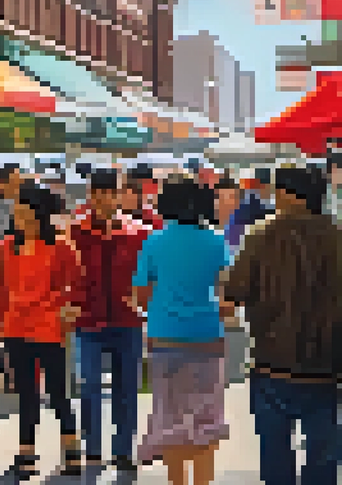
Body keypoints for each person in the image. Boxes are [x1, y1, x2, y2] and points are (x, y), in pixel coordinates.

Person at [223, 166, 342, 485]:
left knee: (275, 456)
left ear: (289, 194)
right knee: (323, 459)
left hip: (271, 364)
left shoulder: (261, 235)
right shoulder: (337, 237)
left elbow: (233, 293)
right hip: (326, 366)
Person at [132, 179, 233, 485]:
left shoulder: (154, 241)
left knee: (170, 416)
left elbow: (140, 294)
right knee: (207, 418)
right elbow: (227, 298)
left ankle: (178, 481)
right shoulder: (217, 242)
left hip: (164, 337)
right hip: (207, 337)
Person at [0, 183, 82, 480]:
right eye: (15, 209)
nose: (17, 213)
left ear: (37, 211)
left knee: (58, 393)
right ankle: (26, 453)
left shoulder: (60, 246)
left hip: (49, 327)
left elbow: (77, 284)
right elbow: (1, 289)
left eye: (23, 208)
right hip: (16, 327)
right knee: (26, 393)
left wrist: (63, 306)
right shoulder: (6, 247)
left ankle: (71, 451)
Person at [63, 169, 151, 472]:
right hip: (87, 322)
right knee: (88, 386)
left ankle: (124, 449)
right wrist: (67, 303)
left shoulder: (139, 232)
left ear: (120, 194)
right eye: (98, 193)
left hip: (128, 321)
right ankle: (93, 447)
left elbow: (149, 276)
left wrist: (143, 302)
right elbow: (63, 274)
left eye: (109, 192)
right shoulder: (75, 232)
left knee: (127, 388)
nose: (103, 199)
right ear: (90, 195)